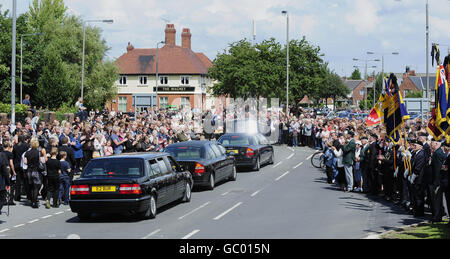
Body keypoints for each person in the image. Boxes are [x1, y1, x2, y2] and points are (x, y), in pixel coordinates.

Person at [429, 139, 446, 222]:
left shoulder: (438, 153)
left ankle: (438, 216)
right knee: (436, 199)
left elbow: (438, 169)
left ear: (436, 143)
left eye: (431, 143)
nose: (430, 144)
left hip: (437, 180)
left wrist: (436, 182)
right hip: (435, 179)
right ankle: (438, 214)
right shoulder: (436, 152)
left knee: (437, 199)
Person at [23, 138, 42, 208]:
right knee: (36, 186)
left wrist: (30, 163)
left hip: (29, 170)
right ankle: (34, 201)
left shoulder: (27, 152)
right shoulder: (38, 152)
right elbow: (42, 161)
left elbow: (25, 162)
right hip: (36, 170)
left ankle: (31, 200)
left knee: (31, 186)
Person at [0, 146, 11, 215]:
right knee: (2, 198)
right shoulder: (1, 159)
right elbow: (5, 172)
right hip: (0, 182)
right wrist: (8, 183)